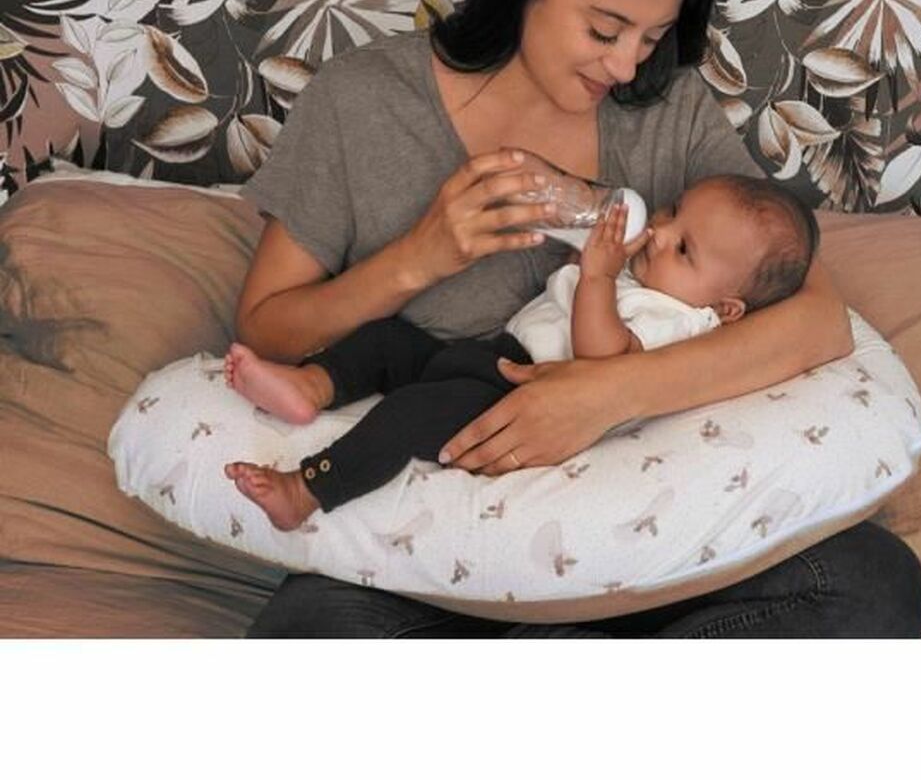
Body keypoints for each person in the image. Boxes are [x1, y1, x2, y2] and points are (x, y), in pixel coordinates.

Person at [234, 0, 921, 637]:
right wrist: (415, 260)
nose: (628, 64)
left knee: (874, 584)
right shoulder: (364, 101)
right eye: (604, 29)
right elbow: (264, 327)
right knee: (306, 629)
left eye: (653, 36)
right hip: (439, 549)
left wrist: (605, 394)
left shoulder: (667, 113)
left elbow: (817, 319)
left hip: (638, 537)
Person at [223, 174, 820, 532]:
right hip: (493, 356)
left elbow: (605, 357)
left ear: (728, 308)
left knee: (408, 415)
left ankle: (307, 490)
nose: (659, 233)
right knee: (387, 339)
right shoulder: (651, 278)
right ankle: (311, 386)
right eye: (672, 214)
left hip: (515, 397)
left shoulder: (683, 320)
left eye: (684, 248)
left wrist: (597, 277)